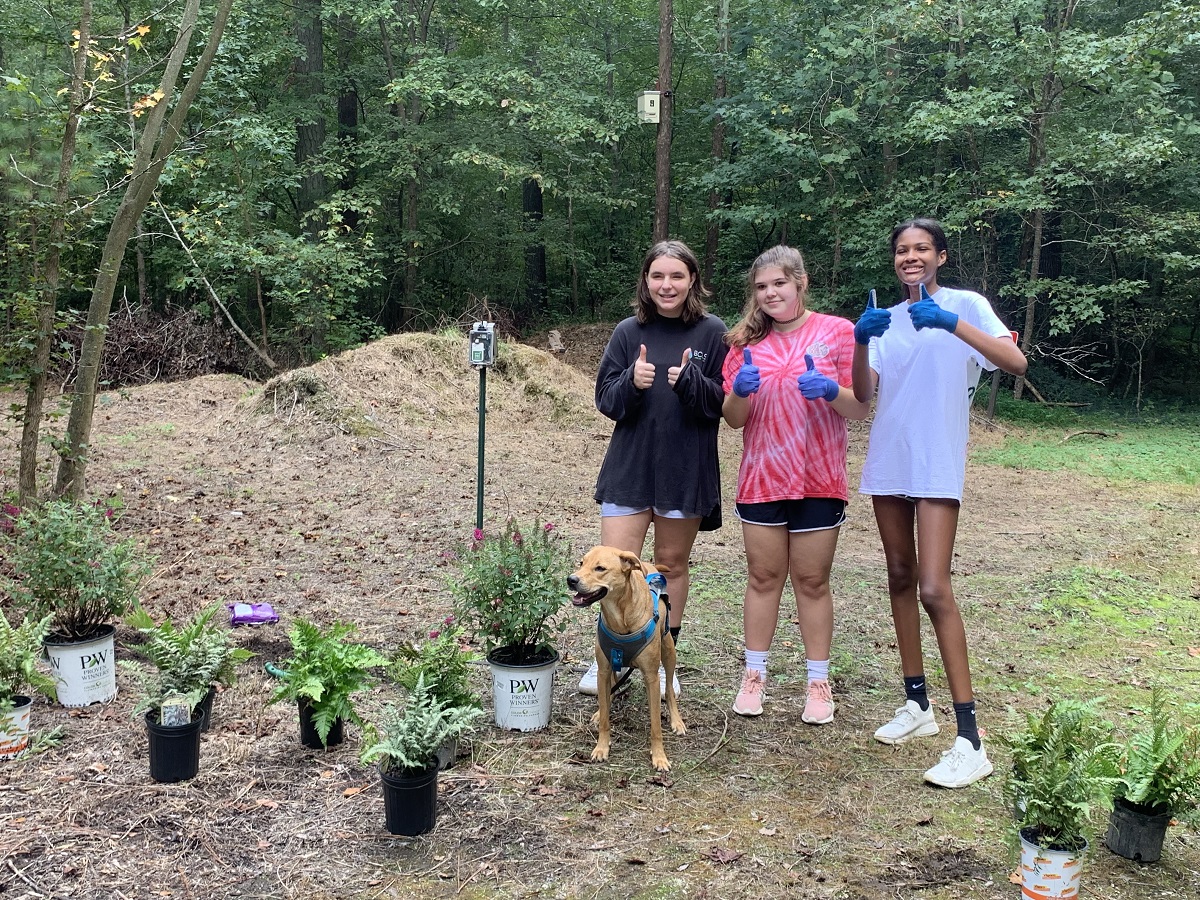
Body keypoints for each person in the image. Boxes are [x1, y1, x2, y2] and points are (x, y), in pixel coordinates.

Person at [851, 217, 1027, 788]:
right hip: (889, 459)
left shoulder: (967, 305)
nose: (911, 256)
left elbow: (1015, 363)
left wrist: (950, 322)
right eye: (902, 249)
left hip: (937, 461)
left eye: (921, 248)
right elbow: (863, 395)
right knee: (899, 577)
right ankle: (917, 706)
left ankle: (970, 738)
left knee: (933, 587)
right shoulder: (890, 318)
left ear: (941, 256)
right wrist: (860, 339)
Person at [721, 245, 869, 721]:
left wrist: (831, 391)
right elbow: (734, 420)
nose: (770, 294)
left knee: (812, 581)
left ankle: (818, 683)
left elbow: (860, 406)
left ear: (800, 283)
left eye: (779, 284)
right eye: (761, 287)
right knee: (764, 578)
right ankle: (754, 676)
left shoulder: (838, 332)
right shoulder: (743, 343)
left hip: (819, 478)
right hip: (762, 478)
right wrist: (740, 391)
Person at [580, 239, 729, 699]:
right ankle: (607, 659)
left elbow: (722, 405)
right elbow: (606, 400)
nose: (667, 285)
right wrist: (632, 381)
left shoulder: (712, 332)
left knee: (670, 568)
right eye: (658, 276)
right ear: (646, 281)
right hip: (630, 468)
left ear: (692, 281)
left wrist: (691, 382)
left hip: (685, 469)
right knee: (614, 570)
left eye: (677, 276)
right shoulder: (628, 331)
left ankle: (665, 660)